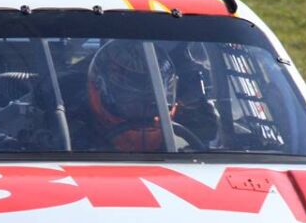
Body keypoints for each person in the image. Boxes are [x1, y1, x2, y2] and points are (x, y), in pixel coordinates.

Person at [65, 39, 219, 152]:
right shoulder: (69, 139)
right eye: (129, 97)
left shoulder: (194, 130)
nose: (144, 107)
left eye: (154, 98)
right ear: (99, 90)